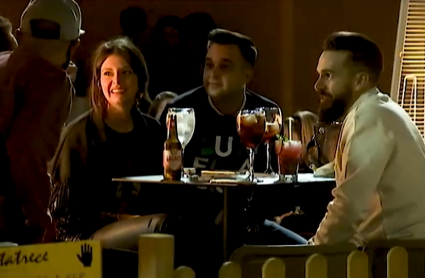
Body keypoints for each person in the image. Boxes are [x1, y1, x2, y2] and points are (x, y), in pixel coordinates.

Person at [161, 28, 306, 277]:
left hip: (251, 225)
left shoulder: (266, 113)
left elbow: (276, 182)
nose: (213, 74)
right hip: (192, 227)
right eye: (209, 65)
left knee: (308, 257)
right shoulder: (181, 110)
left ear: (247, 73)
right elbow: (164, 180)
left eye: (224, 66)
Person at [309, 31, 425, 246]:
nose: (318, 86)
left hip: (393, 258)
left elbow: (348, 206)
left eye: (328, 75)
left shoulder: (368, 116)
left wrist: (312, 253)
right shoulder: (380, 109)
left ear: (360, 80)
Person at [49, 37, 164, 242]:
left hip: (147, 228)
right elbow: (64, 214)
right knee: (162, 228)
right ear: (98, 81)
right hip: (86, 237)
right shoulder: (78, 135)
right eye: (108, 74)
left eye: (125, 72)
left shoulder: (152, 131)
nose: (116, 82)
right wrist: (123, 219)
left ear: (139, 78)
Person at [0, 0, 83, 244]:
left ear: (19, 35)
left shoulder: (3, 61)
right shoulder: (51, 80)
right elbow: (27, 153)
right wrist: (40, 220)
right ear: (74, 45)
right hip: (8, 217)